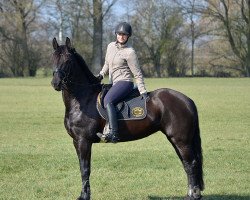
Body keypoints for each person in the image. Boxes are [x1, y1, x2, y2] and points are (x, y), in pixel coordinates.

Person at [96, 22, 148, 143]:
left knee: (108, 100)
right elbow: (107, 64)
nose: (121, 36)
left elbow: (137, 73)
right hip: (113, 83)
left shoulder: (130, 52)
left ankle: (113, 133)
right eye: (120, 34)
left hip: (125, 82)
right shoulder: (110, 46)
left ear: (128, 36)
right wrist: (101, 74)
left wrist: (143, 91)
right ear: (116, 34)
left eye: (124, 35)